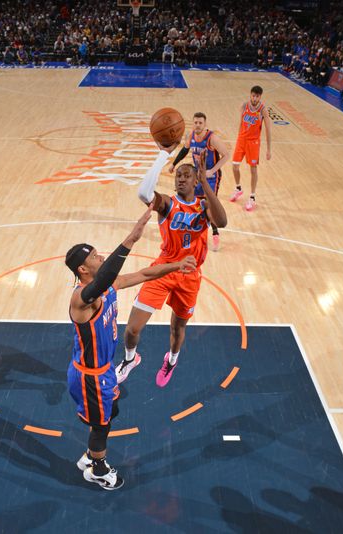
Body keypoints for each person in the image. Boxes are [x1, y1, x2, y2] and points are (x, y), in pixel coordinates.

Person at [66, 208, 197, 490]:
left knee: (109, 414)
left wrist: (175, 266)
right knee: (101, 426)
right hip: (90, 376)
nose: (100, 257)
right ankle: (97, 469)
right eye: (94, 257)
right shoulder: (82, 299)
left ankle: (90, 457)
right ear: (83, 269)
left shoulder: (108, 285)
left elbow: (144, 273)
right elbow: (105, 278)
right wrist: (131, 239)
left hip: (104, 372)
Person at [116, 141, 227, 388]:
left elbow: (223, 221)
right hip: (163, 269)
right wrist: (162, 156)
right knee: (132, 328)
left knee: (177, 329)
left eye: (187, 175)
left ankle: (172, 360)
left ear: (196, 180)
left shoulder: (204, 205)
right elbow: (144, 193)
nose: (181, 179)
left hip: (190, 276)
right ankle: (129, 360)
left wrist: (206, 184)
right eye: (178, 175)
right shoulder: (167, 204)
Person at [169, 112, 230, 251]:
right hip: (197, 174)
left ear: (205, 124)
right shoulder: (191, 135)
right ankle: (193, 232)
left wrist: (212, 171)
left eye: (200, 123)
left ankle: (215, 233)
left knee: (209, 204)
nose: (197, 125)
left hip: (211, 176)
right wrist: (174, 164)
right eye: (195, 122)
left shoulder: (212, 138)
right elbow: (185, 150)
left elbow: (226, 155)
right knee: (193, 202)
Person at [230, 85, 272, 211]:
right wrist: (238, 137)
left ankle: (252, 197)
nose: (254, 98)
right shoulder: (244, 106)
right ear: (250, 95)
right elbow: (241, 123)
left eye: (257, 96)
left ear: (260, 97)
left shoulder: (263, 110)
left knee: (253, 169)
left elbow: (268, 130)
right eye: (253, 95)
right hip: (242, 140)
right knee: (234, 166)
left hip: (253, 143)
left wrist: (269, 149)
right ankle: (238, 188)